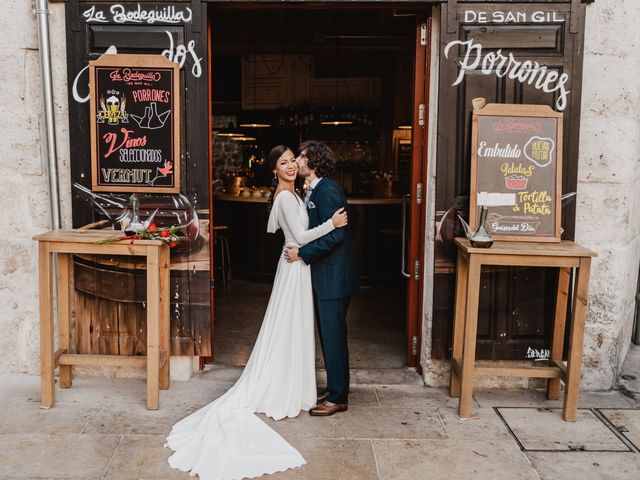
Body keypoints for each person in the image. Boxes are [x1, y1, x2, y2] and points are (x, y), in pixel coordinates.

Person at [165, 145, 348, 480]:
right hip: (295, 270)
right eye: (284, 162)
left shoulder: (298, 193)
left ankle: (297, 384)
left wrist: (311, 237)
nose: (292, 165)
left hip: (297, 267)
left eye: (294, 160)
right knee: (290, 328)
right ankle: (285, 386)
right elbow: (302, 235)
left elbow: (294, 236)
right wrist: (331, 224)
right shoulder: (283, 197)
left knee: (294, 329)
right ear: (274, 169)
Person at [284, 140, 357, 417]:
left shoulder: (327, 191)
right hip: (325, 276)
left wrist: (303, 253)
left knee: (334, 336)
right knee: (329, 336)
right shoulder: (315, 189)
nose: (297, 162)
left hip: (333, 277)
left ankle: (338, 396)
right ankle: (335, 388)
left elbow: (337, 235)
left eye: (301, 157)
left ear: (313, 161)